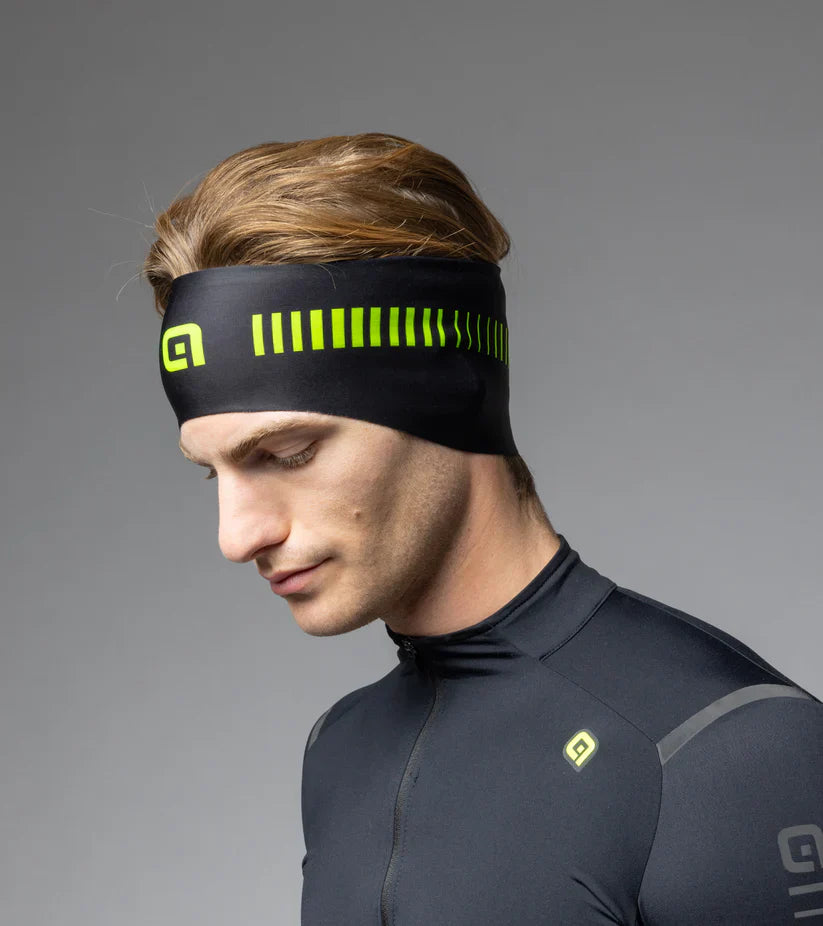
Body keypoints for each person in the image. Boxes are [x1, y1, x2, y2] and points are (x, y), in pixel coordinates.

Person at [144, 132, 823, 925]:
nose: (236, 537)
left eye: (288, 454)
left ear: (446, 394)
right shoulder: (340, 748)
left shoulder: (727, 752)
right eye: (213, 472)